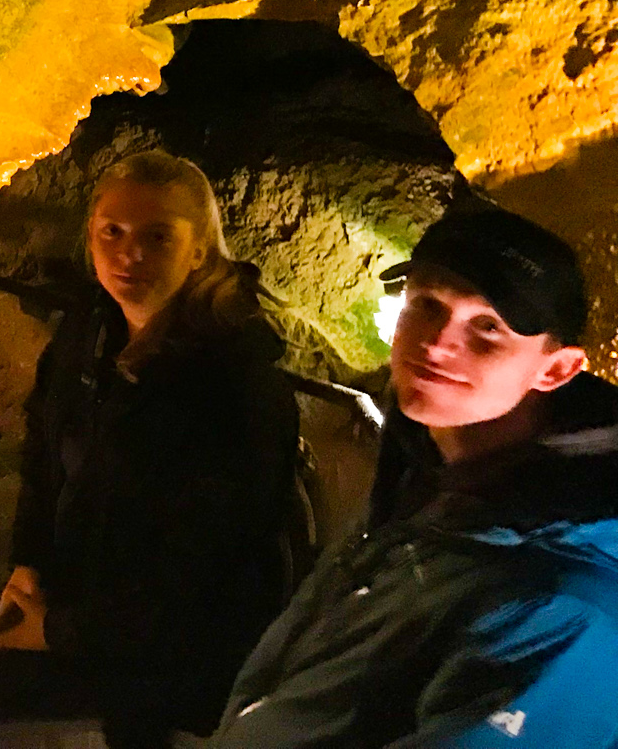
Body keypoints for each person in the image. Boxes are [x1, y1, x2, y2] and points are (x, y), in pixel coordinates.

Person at [0, 152, 299, 749]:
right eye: (111, 232)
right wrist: (27, 564)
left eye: (157, 237)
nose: (128, 253)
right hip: (83, 604)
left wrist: (59, 632)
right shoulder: (90, 332)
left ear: (199, 251)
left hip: (181, 648)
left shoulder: (237, 383)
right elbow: (45, 450)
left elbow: (201, 569)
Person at [208, 203, 618, 749]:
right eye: (427, 304)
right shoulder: (422, 491)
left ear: (556, 369)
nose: (438, 342)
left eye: (488, 328)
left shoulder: (560, 604)